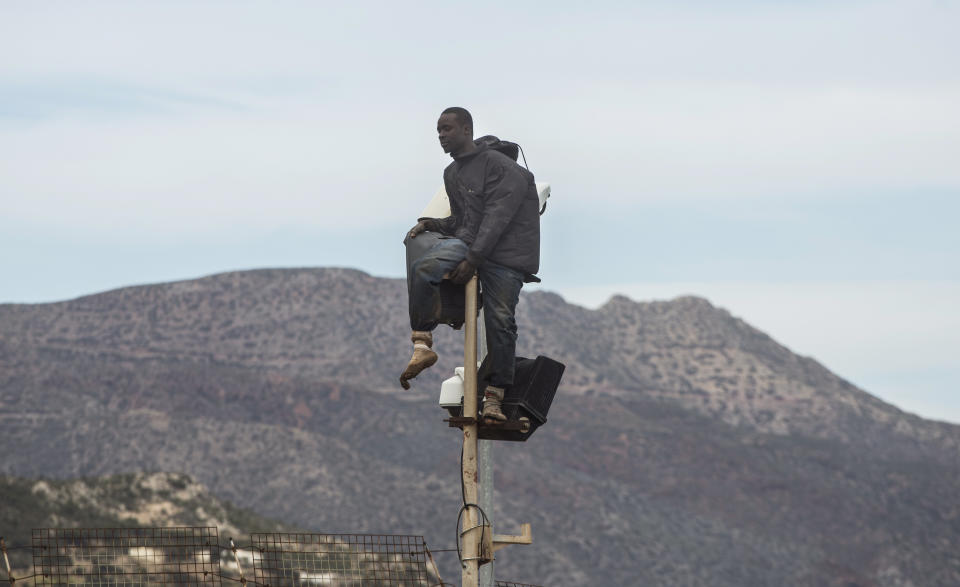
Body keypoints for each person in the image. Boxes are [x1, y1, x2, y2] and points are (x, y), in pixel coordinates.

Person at [400, 107, 541, 422]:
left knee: (500, 320)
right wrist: (432, 224)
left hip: (505, 256)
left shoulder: (502, 168)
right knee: (424, 266)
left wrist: (473, 259)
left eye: (447, 129)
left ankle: (495, 397)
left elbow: (497, 217)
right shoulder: (452, 174)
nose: (441, 136)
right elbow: (464, 222)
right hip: (472, 245)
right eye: (438, 131)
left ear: (466, 129)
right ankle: (422, 344)